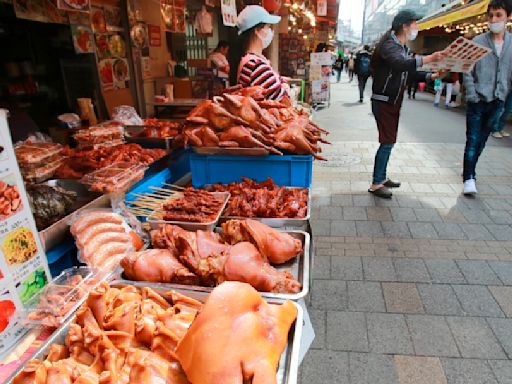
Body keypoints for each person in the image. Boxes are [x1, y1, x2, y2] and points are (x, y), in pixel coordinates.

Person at [368, 9, 445, 199]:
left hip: (392, 101)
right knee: (387, 141)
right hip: (384, 100)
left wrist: (431, 75)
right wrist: (430, 58)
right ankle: (376, 183)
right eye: (415, 23)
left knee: (389, 140)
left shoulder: (400, 46)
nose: (416, 27)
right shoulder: (389, 45)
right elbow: (401, 64)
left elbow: (407, 72)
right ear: (405, 26)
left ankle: (382, 177)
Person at [462, 0, 512, 195]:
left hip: (498, 100)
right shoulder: (478, 42)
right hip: (478, 100)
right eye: (490, 15)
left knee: (482, 140)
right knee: (472, 140)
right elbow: (467, 70)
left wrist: (505, 94)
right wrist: (472, 94)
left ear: (507, 16)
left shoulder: (510, 44)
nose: (493, 19)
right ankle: (468, 178)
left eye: (498, 15)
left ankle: (471, 171)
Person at [235, 5, 289, 101]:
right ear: (257, 31)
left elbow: (279, 82)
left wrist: (282, 84)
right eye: (268, 27)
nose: (270, 31)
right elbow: (282, 99)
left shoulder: (254, 60)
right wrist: (285, 86)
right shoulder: (255, 64)